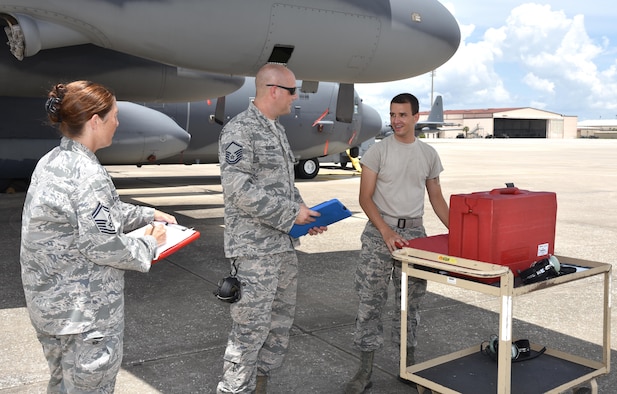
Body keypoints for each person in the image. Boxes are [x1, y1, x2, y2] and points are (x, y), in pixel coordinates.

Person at [20, 80, 177, 393]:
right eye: (114, 115)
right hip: (83, 318)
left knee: (64, 385)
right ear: (95, 121)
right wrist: (152, 241)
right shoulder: (89, 175)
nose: (118, 122)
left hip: (52, 309)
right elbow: (104, 246)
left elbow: (98, 214)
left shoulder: (54, 161)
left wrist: (147, 214)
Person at [216, 63, 326, 394]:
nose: (296, 98)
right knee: (249, 331)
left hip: (281, 247)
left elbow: (284, 187)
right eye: (293, 92)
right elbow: (239, 189)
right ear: (274, 90)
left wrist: (305, 217)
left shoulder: (276, 129)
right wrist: (291, 213)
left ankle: (260, 386)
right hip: (253, 252)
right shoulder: (240, 131)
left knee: (278, 326)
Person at [344, 93, 449, 393]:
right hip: (379, 234)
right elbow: (365, 198)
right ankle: (364, 371)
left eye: (402, 115)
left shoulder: (429, 155)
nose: (396, 120)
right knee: (370, 303)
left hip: (415, 236)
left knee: (410, 305)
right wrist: (387, 232)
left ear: (416, 117)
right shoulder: (378, 152)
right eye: (392, 114)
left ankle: (409, 366)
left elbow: (437, 198)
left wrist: (461, 232)